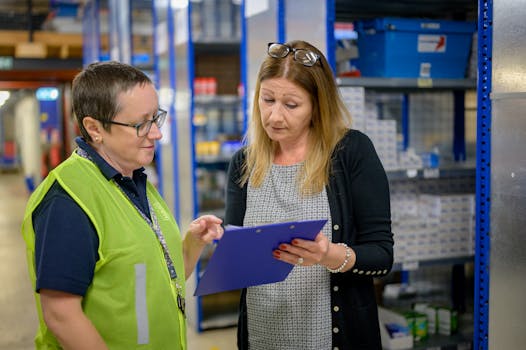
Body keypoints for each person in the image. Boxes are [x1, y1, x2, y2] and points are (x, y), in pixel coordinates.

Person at [21, 61, 224, 350]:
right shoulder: (67, 200)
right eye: (141, 124)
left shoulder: (136, 180)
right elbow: (61, 315)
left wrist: (192, 244)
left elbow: (157, 277)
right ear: (94, 128)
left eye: (156, 118)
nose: (156, 134)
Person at [224, 41, 394, 350]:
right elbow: (235, 259)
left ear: (318, 104)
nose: (275, 116)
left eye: (291, 105)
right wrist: (216, 242)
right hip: (263, 335)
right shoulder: (244, 163)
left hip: (330, 338)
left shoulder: (350, 153)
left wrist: (330, 255)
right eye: (267, 99)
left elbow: (382, 256)